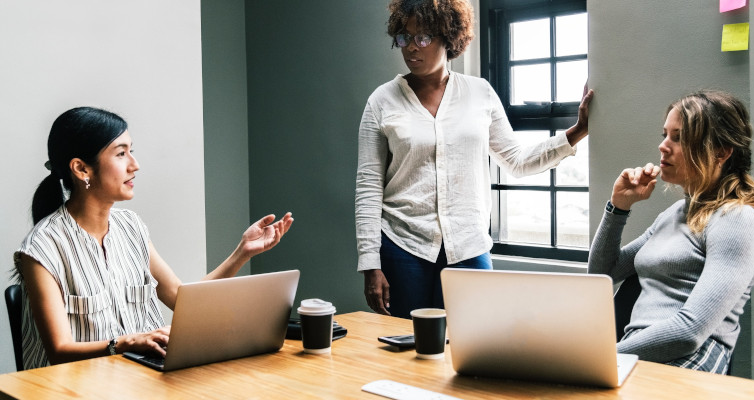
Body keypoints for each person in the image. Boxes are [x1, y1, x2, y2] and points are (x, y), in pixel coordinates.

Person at [356, 0, 594, 318]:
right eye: (404, 38)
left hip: (468, 244)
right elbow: (368, 187)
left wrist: (576, 132)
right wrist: (370, 263)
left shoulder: (479, 93)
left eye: (423, 37)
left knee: (473, 344)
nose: (411, 48)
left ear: (448, 36)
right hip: (402, 246)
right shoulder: (381, 101)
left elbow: (517, 159)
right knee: (406, 350)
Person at [13, 107, 294, 370]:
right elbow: (59, 350)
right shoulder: (43, 247)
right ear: (82, 169)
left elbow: (183, 301)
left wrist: (241, 253)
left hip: (141, 379)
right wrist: (126, 343)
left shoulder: (131, 227)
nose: (135, 165)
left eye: (131, 151)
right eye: (121, 154)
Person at [588, 91, 754, 374]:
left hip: (690, 358)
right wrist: (618, 208)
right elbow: (602, 273)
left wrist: (601, 355)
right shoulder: (672, 215)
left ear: (721, 152)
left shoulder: (737, 219)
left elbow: (689, 332)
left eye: (679, 137)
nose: (663, 146)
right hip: (637, 350)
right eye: (665, 135)